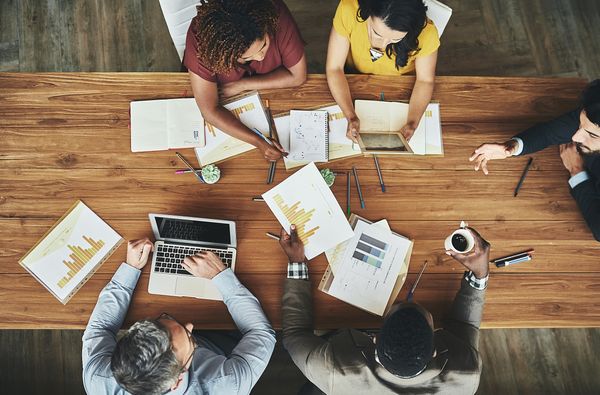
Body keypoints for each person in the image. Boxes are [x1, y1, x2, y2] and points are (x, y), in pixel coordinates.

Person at [280, 225, 490, 394]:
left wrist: (296, 262)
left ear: (374, 338)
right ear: (434, 348)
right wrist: (479, 276)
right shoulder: (466, 375)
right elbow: (463, 326)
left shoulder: (332, 370)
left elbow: (294, 335)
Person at [82, 238, 276, 394]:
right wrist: (221, 276)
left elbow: (101, 328)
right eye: (190, 340)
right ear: (177, 381)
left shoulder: (98, 378)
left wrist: (130, 269)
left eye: (161, 321)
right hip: (224, 345)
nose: (190, 325)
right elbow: (260, 333)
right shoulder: (225, 385)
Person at [469, 79, 600, 241]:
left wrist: (577, 172)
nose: (575, 136)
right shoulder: (594, 114)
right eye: (580, 126)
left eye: (591, 135)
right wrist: (511, 147)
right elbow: (549, 133)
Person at [184, 0, 307, 162]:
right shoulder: (204, 41)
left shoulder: (273, 14)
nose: (260, 56)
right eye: (247, 58)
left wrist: (242, 85)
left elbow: (298, 76)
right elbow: (209, 111)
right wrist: (258, 142)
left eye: (264, 45)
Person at [326, 0, 439, 143]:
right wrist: (350, 116)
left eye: (396, 39)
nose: (383, 45)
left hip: (400, 88)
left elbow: (425, 80)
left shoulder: (427, 33)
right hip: (353, 77)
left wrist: (413, 122)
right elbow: (334, 68)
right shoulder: (348, 9)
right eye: (377, 33)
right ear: (367, 12)